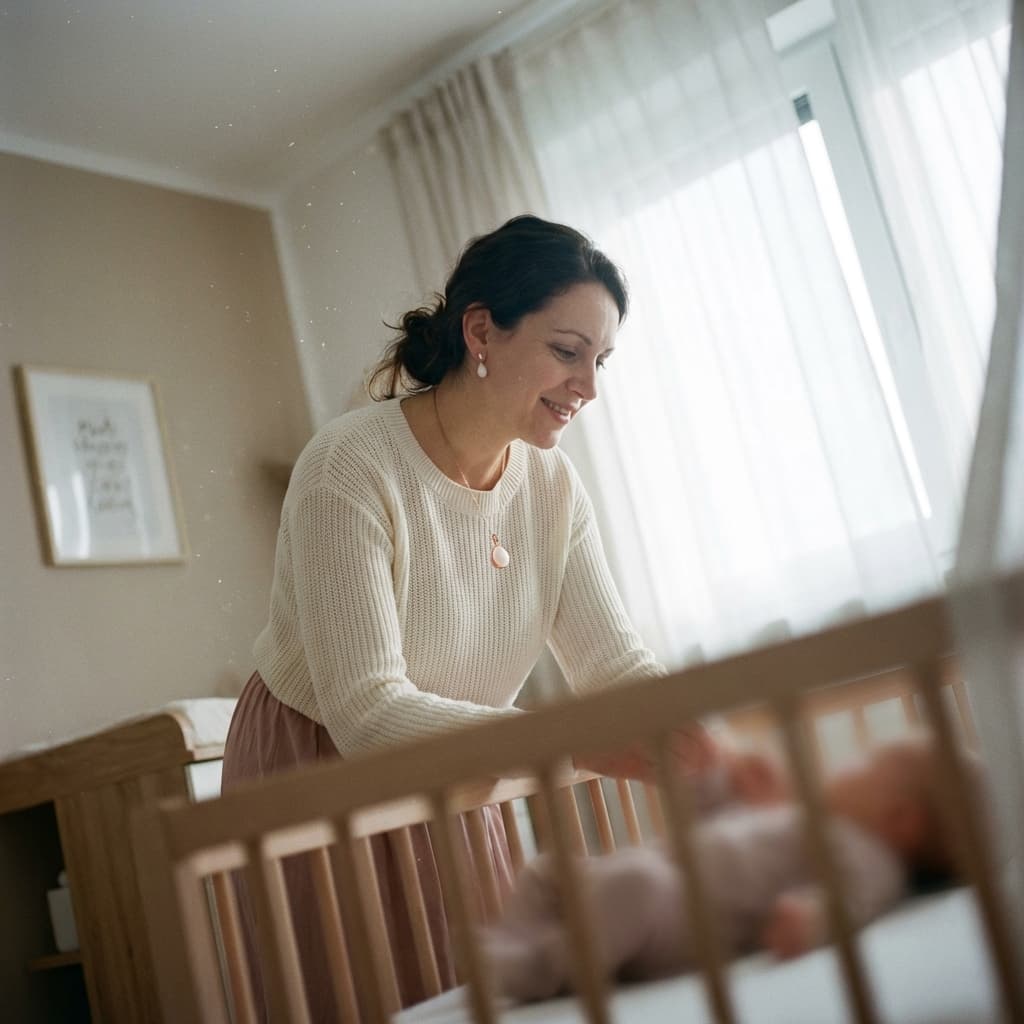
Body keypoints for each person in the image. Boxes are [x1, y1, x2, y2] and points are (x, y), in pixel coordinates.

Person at [220, 215, 727, 1020]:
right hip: (319, 760)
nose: (589, 386)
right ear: (482, 330)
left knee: (478, 995)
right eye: (568, 351)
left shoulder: (553, 489)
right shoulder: (349, 466)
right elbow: (366, 711)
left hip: (469, 761)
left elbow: (616, 666)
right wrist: (551, 739)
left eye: (600, 361)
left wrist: (700, 740)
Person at [483, 734, 981, 1003]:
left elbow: (855, 902)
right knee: (551, 871)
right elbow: (719, 830)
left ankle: (544, 968)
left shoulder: (871, 857)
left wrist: (815, 921)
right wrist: (719, 781)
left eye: (867, 766)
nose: (846, 766)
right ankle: (516, 942)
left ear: (902, 819)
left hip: (677, 920)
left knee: (630, 889)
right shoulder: (805, 820)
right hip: (654, 878)